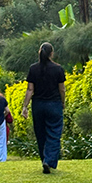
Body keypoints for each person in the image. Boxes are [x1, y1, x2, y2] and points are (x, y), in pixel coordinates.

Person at [22, 42, 66, 174]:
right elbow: (62, 89)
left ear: (39, 52)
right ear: (51, 53)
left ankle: (44, 160)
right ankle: (49, 160)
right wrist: (62, 102)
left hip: (38, 105)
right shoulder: (58, 69)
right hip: (54, 104)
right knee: (54, 133)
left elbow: (30, 89)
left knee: (40, 133)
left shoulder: (33, 68)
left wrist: (25, 106)